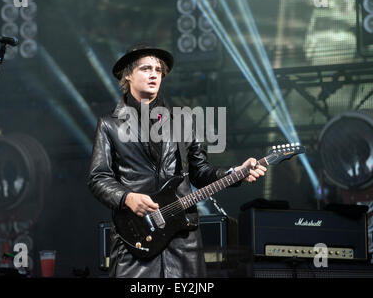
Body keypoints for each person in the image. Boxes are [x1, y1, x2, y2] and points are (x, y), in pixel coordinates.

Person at [88, 43, 266, 278]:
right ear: (128, 75)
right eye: (145, 69)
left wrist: (236, 171)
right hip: (136, 236)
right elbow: (98, 177)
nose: (153, 74)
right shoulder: (110, 124)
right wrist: (127, 198)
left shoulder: (183, 120)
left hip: (182, 239)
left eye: (158, 70)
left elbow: (200, 171)